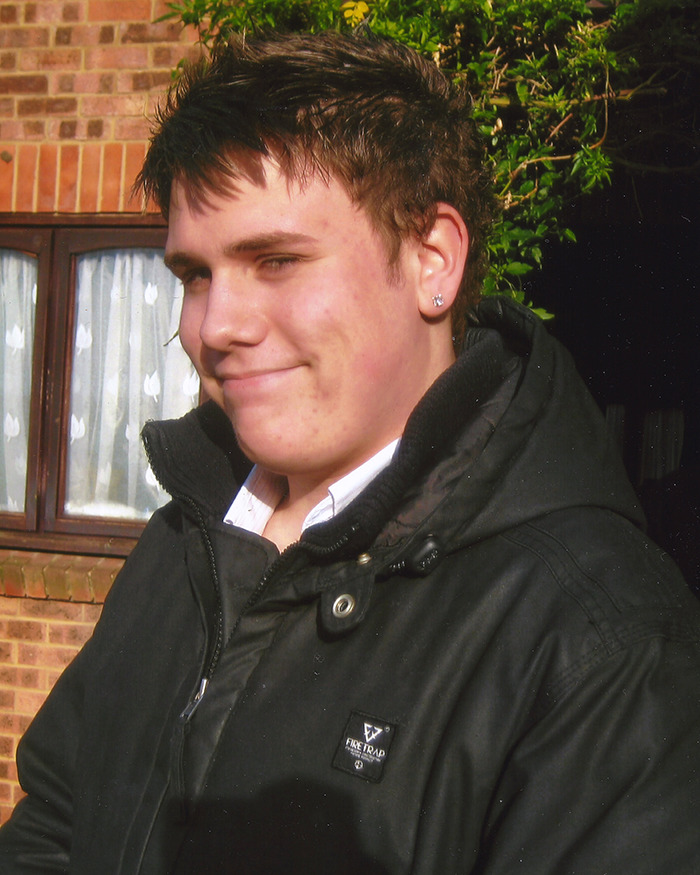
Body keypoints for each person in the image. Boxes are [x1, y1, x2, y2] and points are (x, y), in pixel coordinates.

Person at [1, 30, 699, 874]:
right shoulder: (186, 538)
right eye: (194, 275)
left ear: (431, 259)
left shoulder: (600, 641)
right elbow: (55, 821)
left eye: (277, 260)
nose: (215, 325)